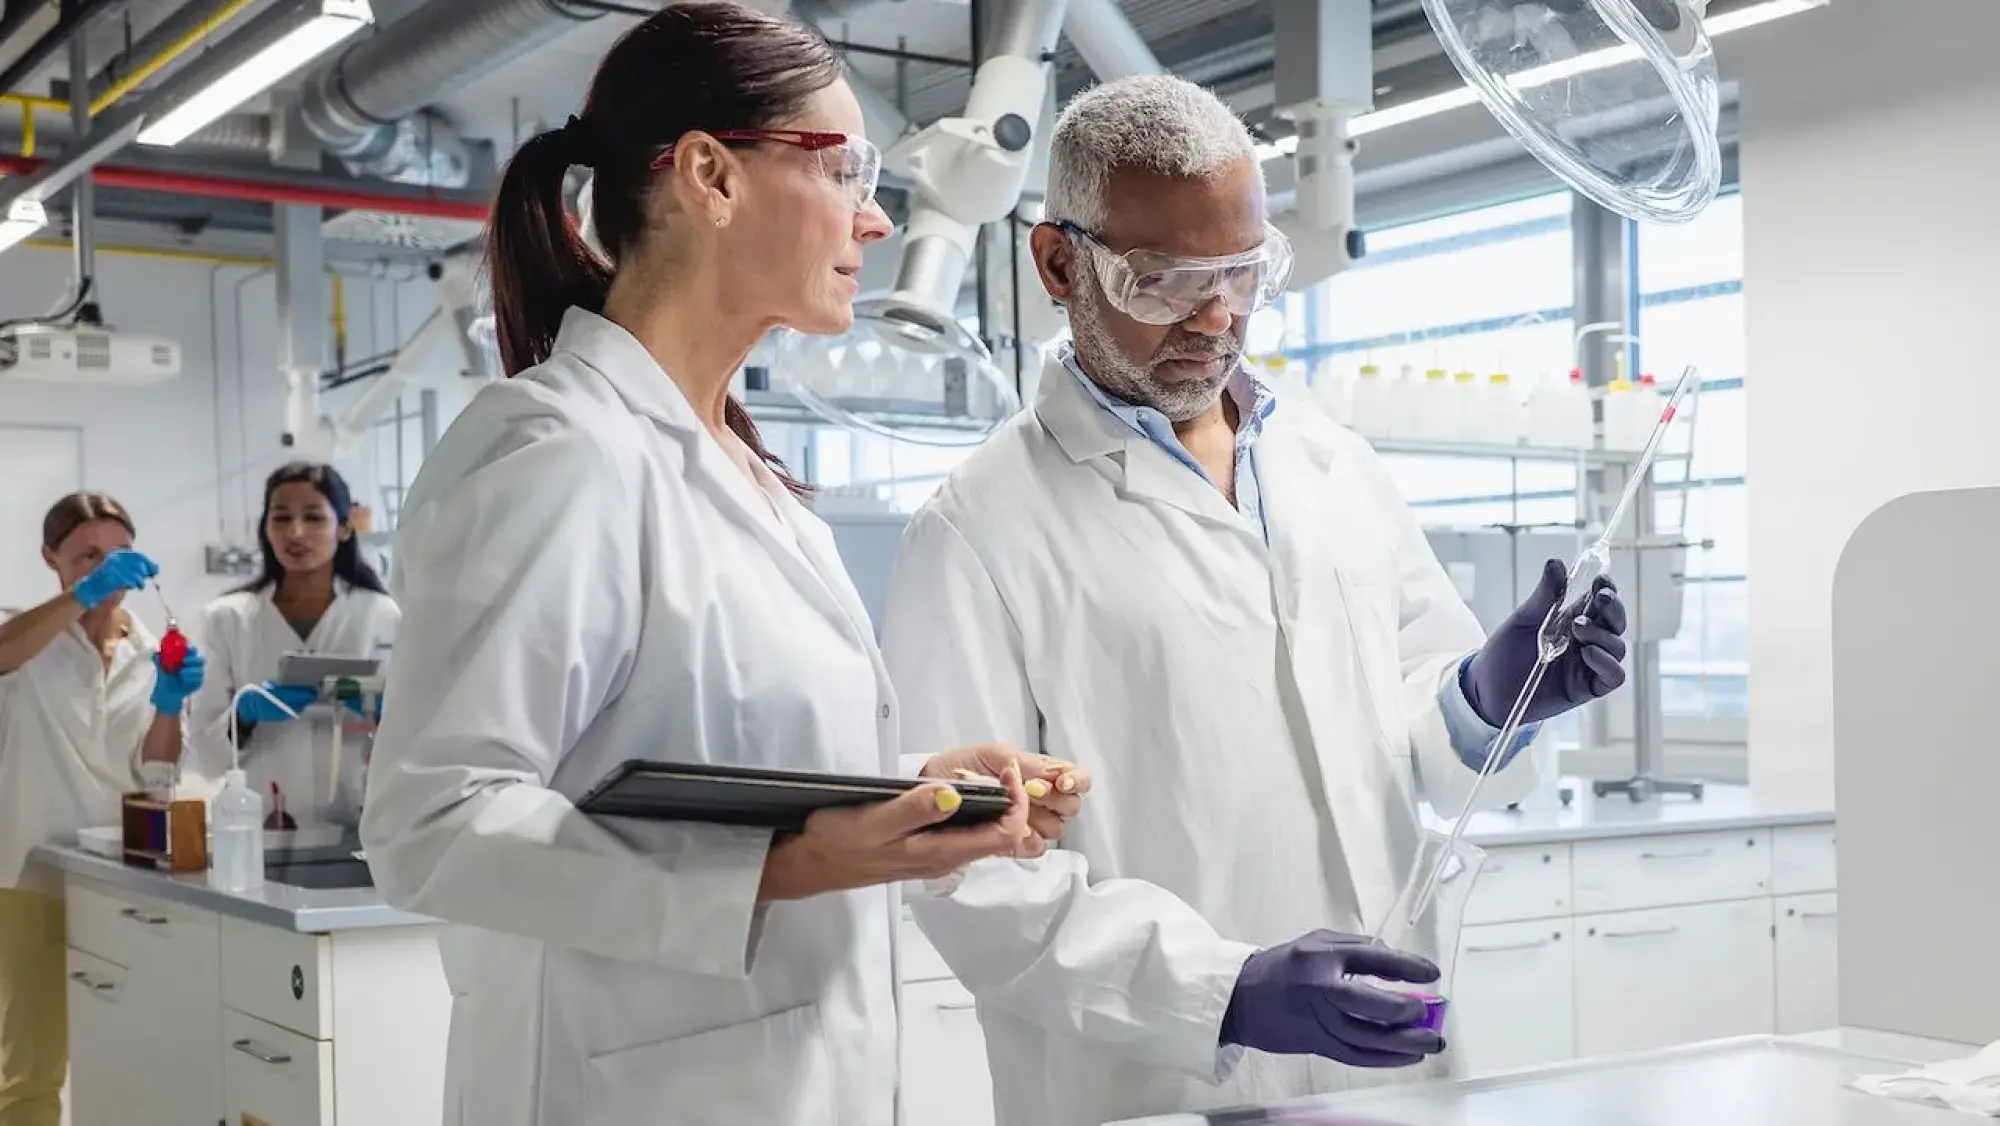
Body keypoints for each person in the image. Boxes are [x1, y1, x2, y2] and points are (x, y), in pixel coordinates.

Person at [358, 5, 1085, 1125]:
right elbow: (431, 822)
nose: (876, 219)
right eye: (845, 169)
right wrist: (786, 865)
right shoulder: (560, 450)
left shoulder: (740, 471)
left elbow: (694, 757)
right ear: (709, 175)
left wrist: (912, 791)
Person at [880, 74, 1631, 1126]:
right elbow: (964, 875)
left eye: (1241, 270)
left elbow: (1401, 727)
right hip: (1152, 1086)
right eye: (1165, 279)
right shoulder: (976, 532)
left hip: (1389, 1069)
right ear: (1057, 263)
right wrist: (1221, 991)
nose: (1217, 314)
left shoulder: (1332, 465)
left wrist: (1482, 696)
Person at [0, 492, 206, 1126]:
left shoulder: (152, 650)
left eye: (117, 554)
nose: (103, 568)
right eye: (86, 556)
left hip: (119, 876)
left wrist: (170, 701)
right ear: (50, 559)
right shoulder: (28, 636)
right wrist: (83, 596)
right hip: (28, 876)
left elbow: (156, 773)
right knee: (30, 1070)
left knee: (124, 1051)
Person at [188, 462, 399, 829]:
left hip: (362, 824)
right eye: (281, 518)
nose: (295, 533)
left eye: (314, 518)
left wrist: (386, 713)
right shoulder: (227, 619)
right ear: (265, 529)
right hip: (259, 823)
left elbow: (414, 733)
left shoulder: (381, 615)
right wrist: (244, 716)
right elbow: (204, 751)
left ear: (345, 527)